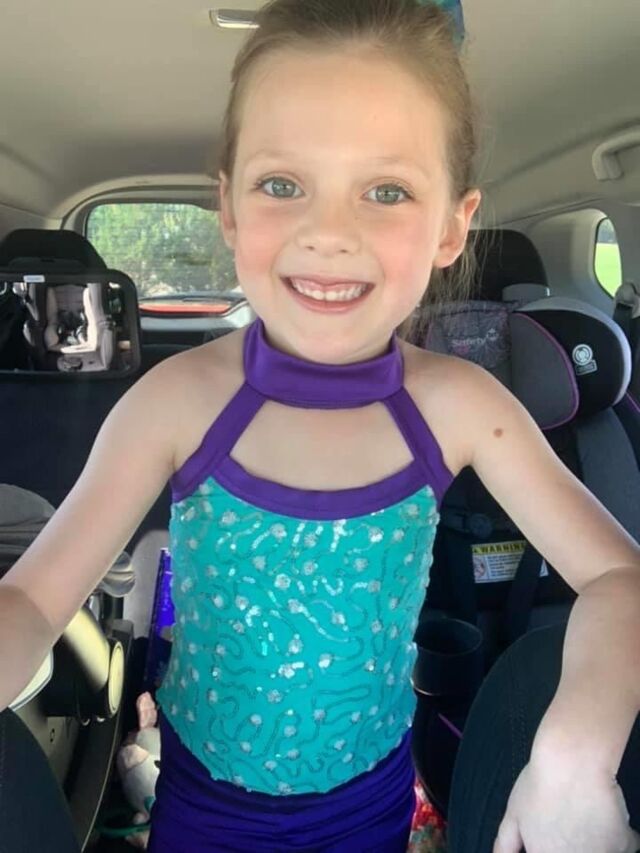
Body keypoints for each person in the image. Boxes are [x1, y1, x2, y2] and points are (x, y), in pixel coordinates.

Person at [1, 0, 639, 850]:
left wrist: (574, 756)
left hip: (368, 801)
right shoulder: (175, 401)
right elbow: (32, 598)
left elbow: (618, 577)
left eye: (386, 190)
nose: (329, 232)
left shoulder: (460, 405)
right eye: (282, 184)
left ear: (452, 226)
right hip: (202, 803)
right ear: (229, 208)